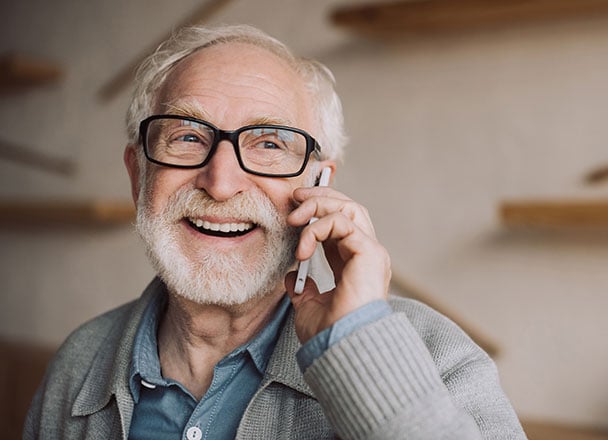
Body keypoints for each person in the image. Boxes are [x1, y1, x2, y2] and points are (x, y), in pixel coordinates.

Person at [24, 24, 526, 439]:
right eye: (186, 136)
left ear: (320, 184)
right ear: (139, 176)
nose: (220, 183)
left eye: (269, 144)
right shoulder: (78, 364)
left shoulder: (440, 356)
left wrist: (360, 348)